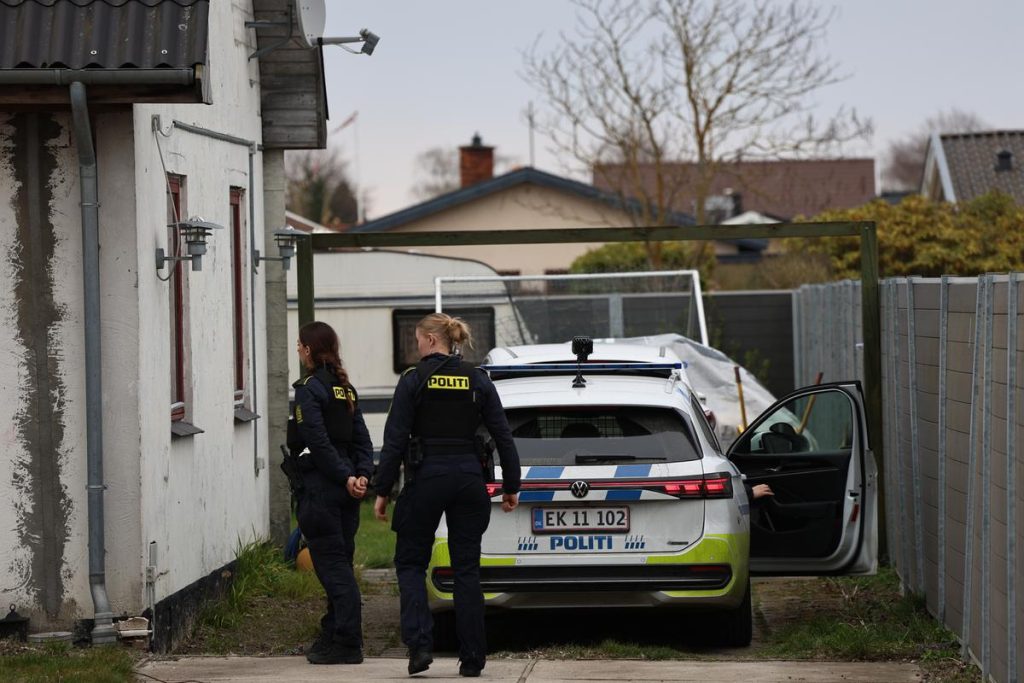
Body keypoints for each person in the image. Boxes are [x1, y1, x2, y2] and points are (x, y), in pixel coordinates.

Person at [373, 313, 521, 678]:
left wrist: (382, 490)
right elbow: (502, 434)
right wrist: (511, 485)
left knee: (411, 563)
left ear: (431, 340)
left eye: (418, 341)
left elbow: (394, 440)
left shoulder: (413, 379)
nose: (417, 347)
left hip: (427, 478)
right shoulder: (477, 378)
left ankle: (420, 646)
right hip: (469, 479)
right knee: (466, 568)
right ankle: (472, 658)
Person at [291, 321, 374, 665]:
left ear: (309, 349)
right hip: (346, 490)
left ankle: (348, 643)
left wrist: (345, 478)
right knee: (340, 563)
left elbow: (318, 442)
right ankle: (333, 632)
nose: (298, 350)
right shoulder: (345, 389)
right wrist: (361, 476)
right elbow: (363, 441)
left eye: (300, 345)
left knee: (333, 568)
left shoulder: (310, 389)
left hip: (324, 489)